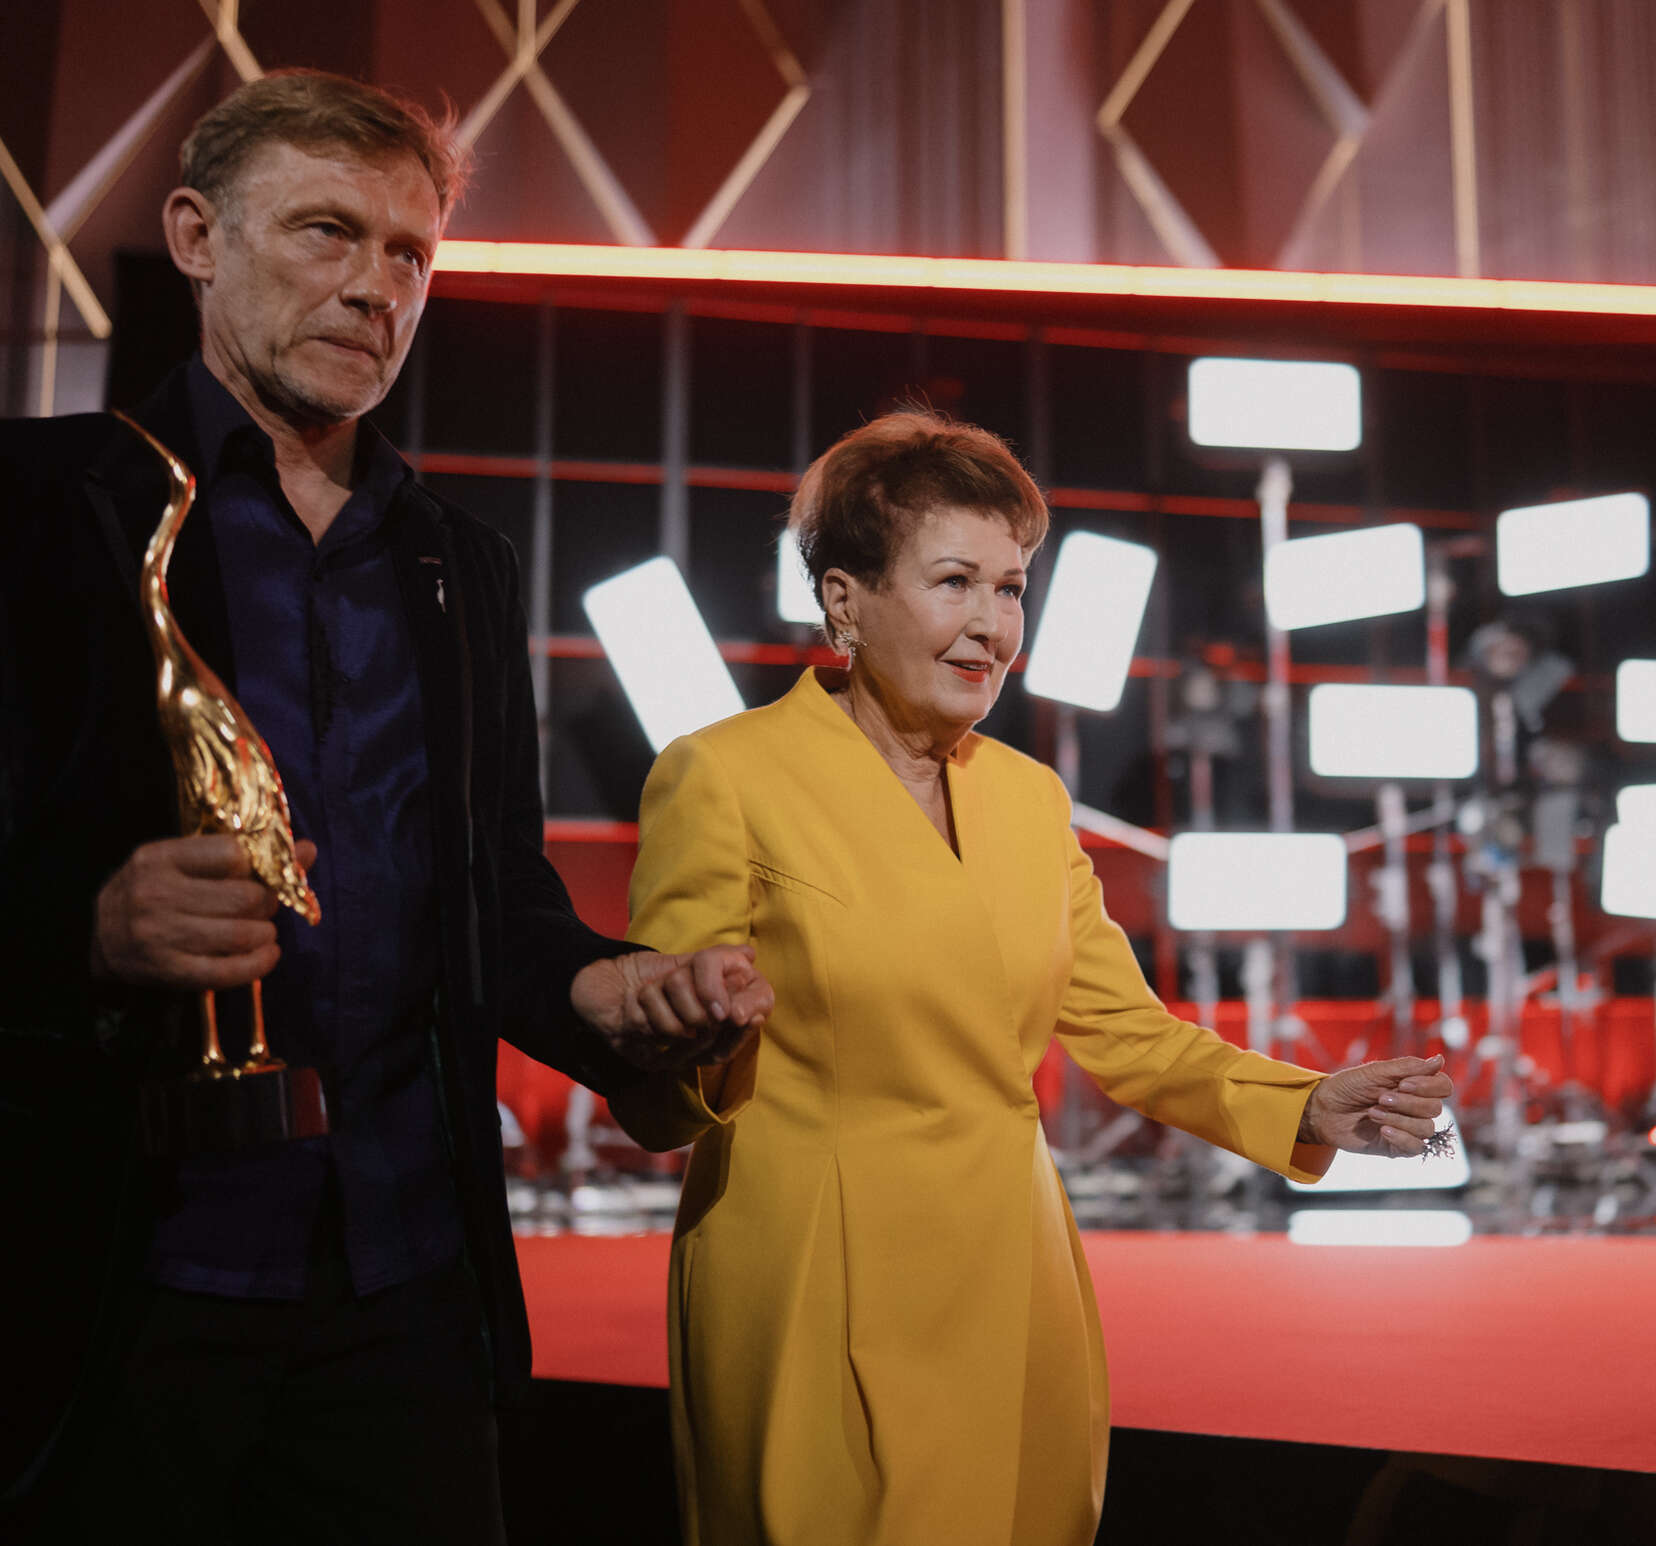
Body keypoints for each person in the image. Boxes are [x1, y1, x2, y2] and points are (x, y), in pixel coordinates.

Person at [0, 70, 769, 1541]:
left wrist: (617, 989)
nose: (375, 287)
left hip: (404, 1286)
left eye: (410, 252)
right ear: (197, 236)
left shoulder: (460, 565)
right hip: (118, 1288)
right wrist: (85, 925)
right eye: (326, 233)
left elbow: (498, 907)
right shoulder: (39, 509)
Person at [610, 410, 1455, 1546]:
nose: (992, 626)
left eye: (1010, 588)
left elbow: (1130, 1033)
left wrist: (1304, 1103)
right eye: (954, 582)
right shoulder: (722, 775)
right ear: (845, 601)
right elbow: (657, 1073)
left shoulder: (1028, 796)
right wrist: (688, 1032)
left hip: (1013, 1270)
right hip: (812, 1264)